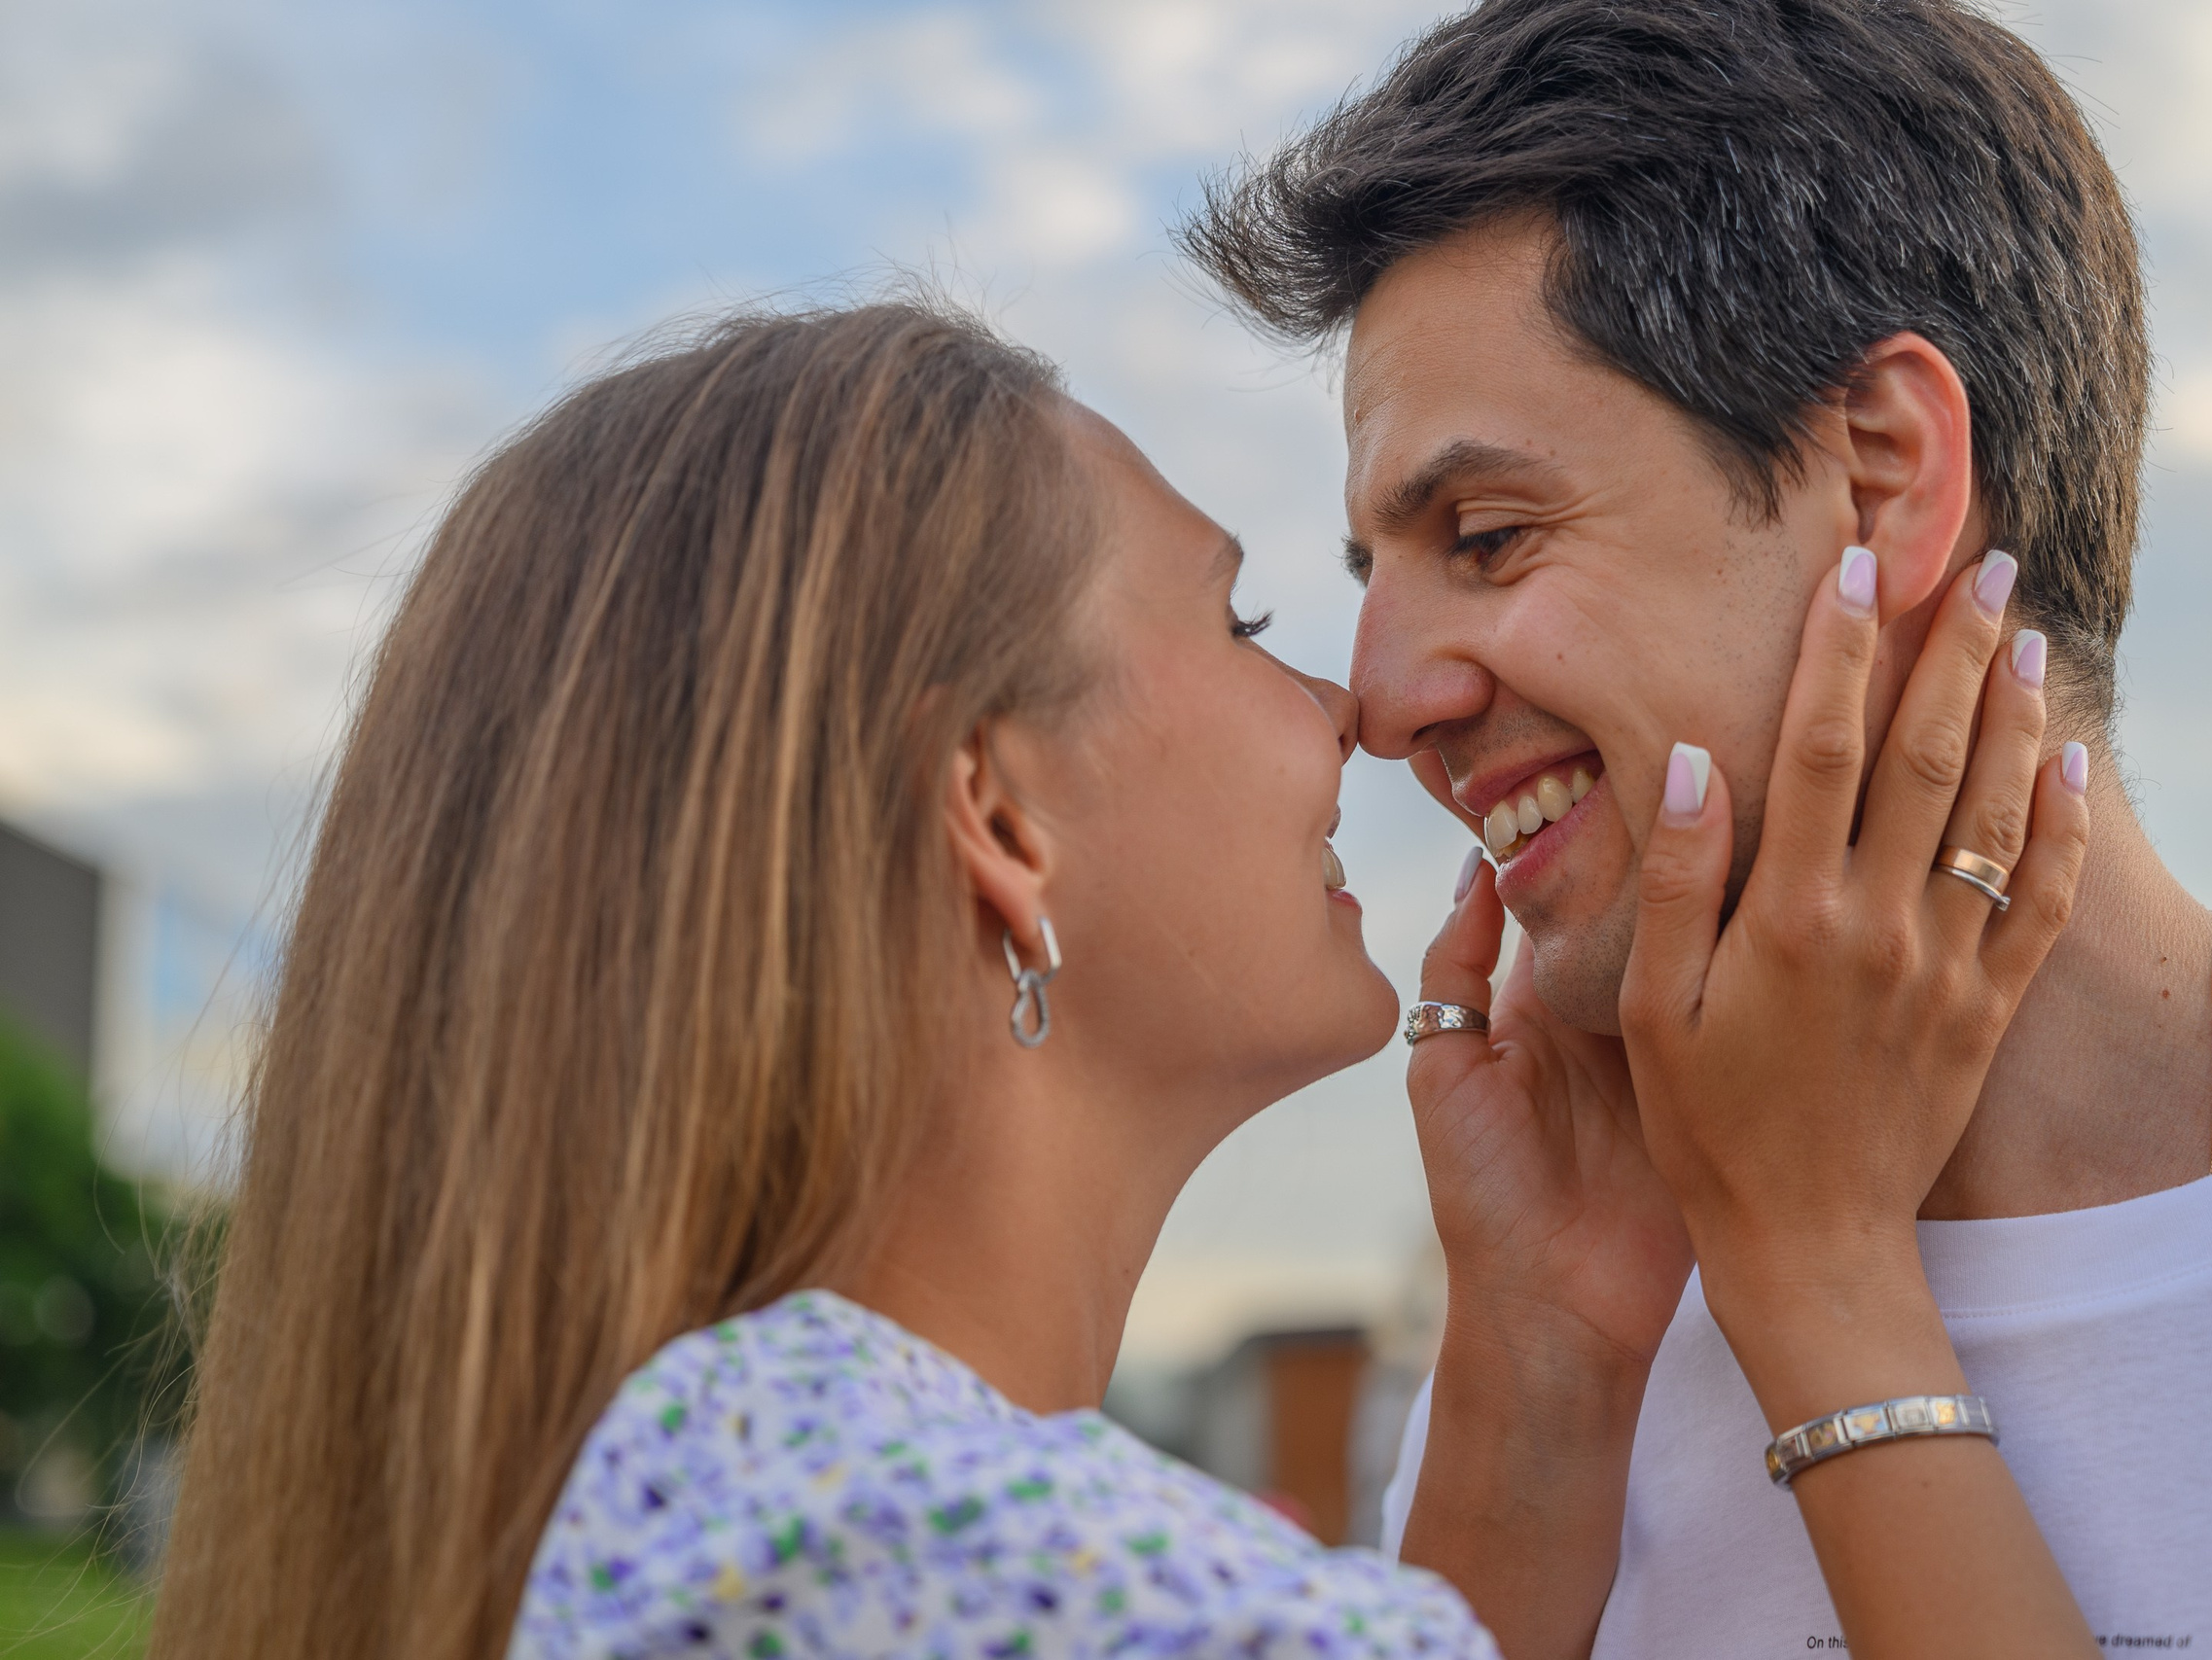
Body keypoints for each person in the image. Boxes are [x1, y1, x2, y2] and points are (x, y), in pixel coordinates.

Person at [151, 298, 2096, 1660]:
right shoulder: (905, 1541)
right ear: (994, 811)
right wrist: (1825, 1270)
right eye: (1240, 615)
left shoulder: (783, 1486)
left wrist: (1547, 1356)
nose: (1354, 702)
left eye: (1487, 538)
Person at [1184, 0, 2212, 1653]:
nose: (1380, 704)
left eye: (1491, 535)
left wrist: (1817, 1284)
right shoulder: (1551, 1353)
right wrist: (1547, 1381)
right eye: (1380, 576)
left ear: (1881, 476)